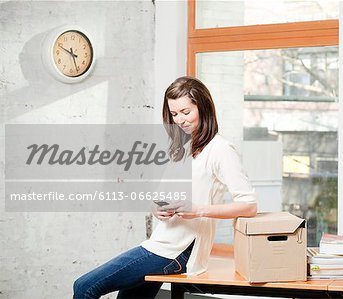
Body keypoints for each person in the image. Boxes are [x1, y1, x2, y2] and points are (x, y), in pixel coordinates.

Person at [73, 76, 258, 298]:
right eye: (174, 114)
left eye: (185, 112)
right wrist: (157, 207)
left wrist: (198, 209)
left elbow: (249, 206)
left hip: (180, 251)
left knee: (84, 287)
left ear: (204, 108)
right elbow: (162, 197)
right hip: (161, 243)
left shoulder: (221, 150)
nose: (180, 120)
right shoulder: (183, 147)